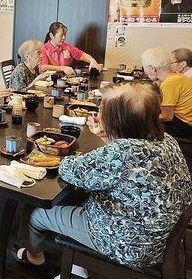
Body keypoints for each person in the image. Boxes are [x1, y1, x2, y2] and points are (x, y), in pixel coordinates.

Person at [14, 81, 192, 272]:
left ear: (118, 122)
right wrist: (108, 138)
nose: (99, 116)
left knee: (37, 212)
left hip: (126, 242)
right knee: (77, 195)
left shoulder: (123, 153)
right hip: (155, 234)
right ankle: (78, 265)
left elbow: (68, 169)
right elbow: (120, 168)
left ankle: (34, 258)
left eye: (102, 112)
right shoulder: (167, 140)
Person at [141, 48, 192, 147]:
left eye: (145, 68)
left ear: (152, 69)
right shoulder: (178, 77)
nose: (145, 72)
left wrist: (142, 117)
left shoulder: (169, 83)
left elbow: (167, 116)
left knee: (142, 124)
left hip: (184, 128)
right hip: (186, 124)